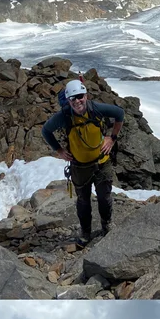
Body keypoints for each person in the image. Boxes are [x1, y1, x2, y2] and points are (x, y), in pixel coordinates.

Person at [41, 78, 123, 246]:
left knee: (104, 197)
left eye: (80, 96)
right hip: (79, 167)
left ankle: (106, 224)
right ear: (68, 101)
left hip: (102, 163)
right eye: (73, 98)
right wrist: (59, 151)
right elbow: (46, 131)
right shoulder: (64, 117)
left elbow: (119, 114)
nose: (77, 101)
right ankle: (86, 232)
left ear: (86, 96)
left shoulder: (96, 109)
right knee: (83, 201)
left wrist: (112, 138)